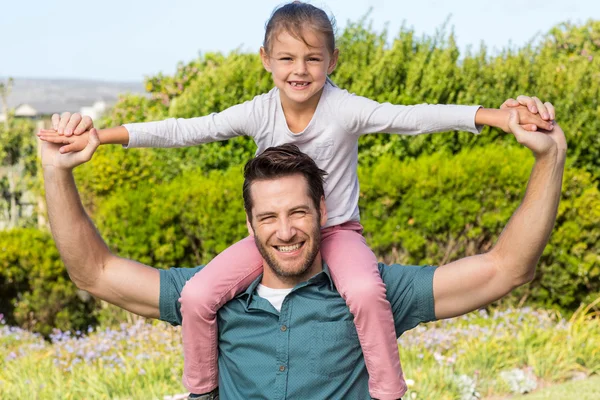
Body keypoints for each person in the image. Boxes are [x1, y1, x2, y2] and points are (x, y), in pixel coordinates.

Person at [38, 2, 555, 398]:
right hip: (265, 246)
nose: (300, 69)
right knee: (197, 297)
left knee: (364, 293)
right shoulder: (257, 112)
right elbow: (184, 129)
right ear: (265, 60)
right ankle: (201, 390)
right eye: (286, 58)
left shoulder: (346, 108)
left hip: (340, 233)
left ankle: (388, 392)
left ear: (333, 60)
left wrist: (497, 117)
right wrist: (99, 138)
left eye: (313, 58)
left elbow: (415, 116)